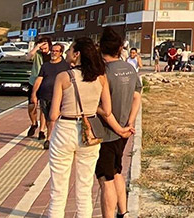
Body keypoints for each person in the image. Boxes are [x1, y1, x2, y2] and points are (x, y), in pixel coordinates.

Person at [46, 38, 132, 218]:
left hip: (65, 129)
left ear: (77, 55)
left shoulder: (63, 76)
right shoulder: (100, 78)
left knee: (58, 189)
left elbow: (53, 115)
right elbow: (107, 110)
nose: (68, 53)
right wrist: (90, 108)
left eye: (70, 50)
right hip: (90, 131)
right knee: (85, 189)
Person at [96, 29, 142, 218]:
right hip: (124, 131)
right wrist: (129, 124)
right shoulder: (129, 68)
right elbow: (137, 97)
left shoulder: (103, 72)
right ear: (120, 48)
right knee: (117, 172)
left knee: (105, 178)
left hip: (107, 133)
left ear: (101, 46)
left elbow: (103, 108)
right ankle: (123, 212)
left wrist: (118, 128)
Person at [26, 37, 53, 138]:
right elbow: (28, 57)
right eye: (41, 47)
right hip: (34, 82)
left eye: (45, 46)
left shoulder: (53, 55)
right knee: (32, 106)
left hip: (46, 83)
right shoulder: (37, 54)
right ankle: (34, 123)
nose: (43, 49)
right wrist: (37, 47)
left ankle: (42, 131)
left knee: (43, 107)